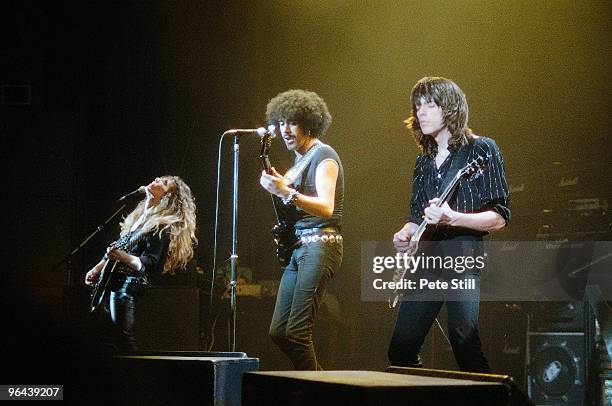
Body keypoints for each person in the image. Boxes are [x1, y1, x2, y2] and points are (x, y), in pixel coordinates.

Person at [389, 77, 510, 373]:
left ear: (451, 108)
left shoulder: (481, 149)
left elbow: (500, 217)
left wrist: (452, 217)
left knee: (463, 340)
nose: (421, 113)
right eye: (418, 106)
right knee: (401, 348)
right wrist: (406, 232)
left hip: (462, 253)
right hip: (426, 257)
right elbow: (416, 214)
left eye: (430, 105)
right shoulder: (423, 161)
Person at [259, 89, 343, 370]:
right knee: (279, 332)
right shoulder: (299, 160)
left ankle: (318, 391)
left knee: (296, 332)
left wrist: (286, 193)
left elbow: (326, 207)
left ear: (309, 123)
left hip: (322, 245)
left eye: (292, 122)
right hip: (299, 248)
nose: (285, 130)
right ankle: (319, 383)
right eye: (281, 122)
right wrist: (279, 185)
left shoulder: (324, 155)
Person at [85, 176, 197, 351]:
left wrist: (122, 257)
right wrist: (98, 268)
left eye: (164, 183)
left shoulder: (162, 227)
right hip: (113, 280)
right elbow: (120, 247)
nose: (157, 179)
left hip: (129, 283)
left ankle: (136, 373)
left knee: (124, 340)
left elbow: (149, 263)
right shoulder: (140, 218)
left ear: (168, 197)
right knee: (109, 339)